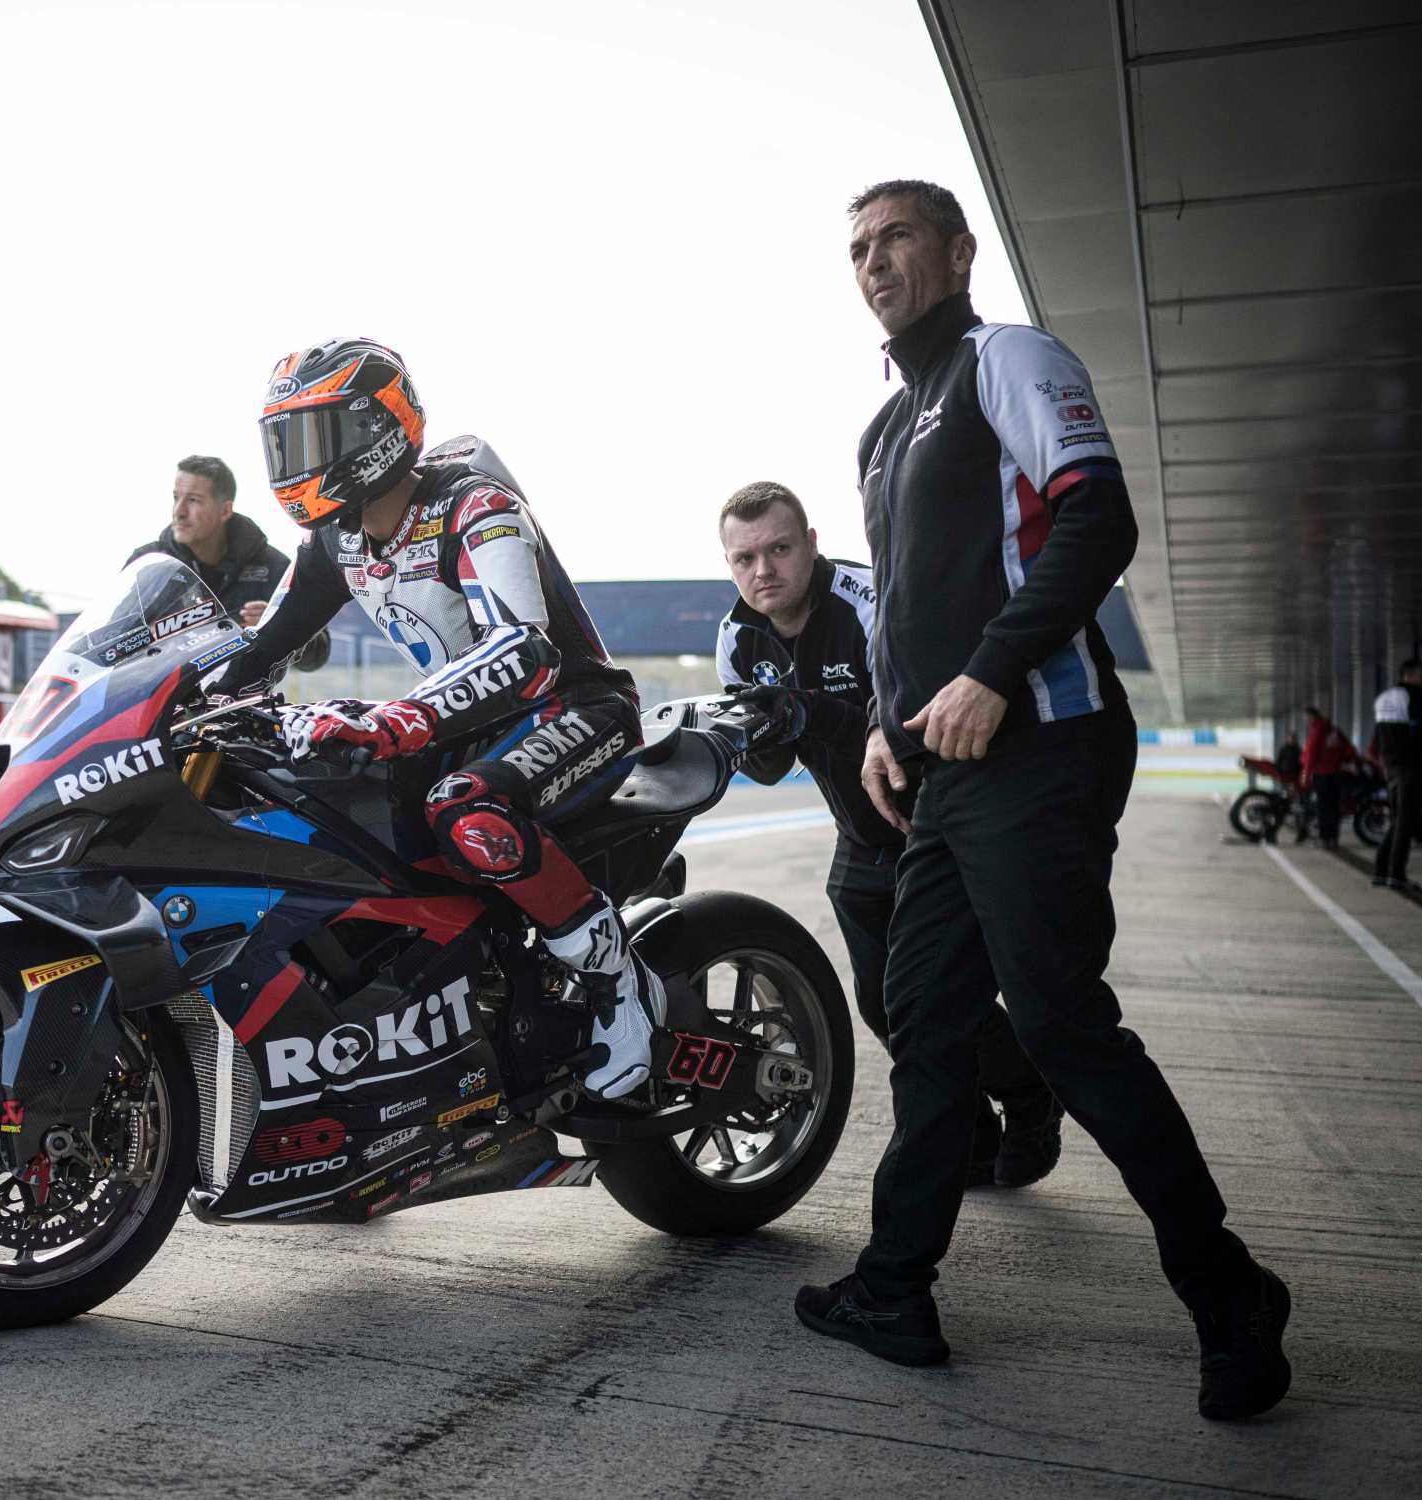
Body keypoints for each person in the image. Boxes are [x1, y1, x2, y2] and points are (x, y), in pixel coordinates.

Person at [793, 179, 1290, 1422]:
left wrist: (994, 671)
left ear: (958, 251)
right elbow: (908, 599)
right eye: (857, 249)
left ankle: (1230, 1293)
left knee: (1063, 1025)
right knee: (926, 1019)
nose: (874, 262)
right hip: (943, 770)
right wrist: (885, 723)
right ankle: (895, 1288)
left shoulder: (1005, 360)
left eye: (897, 237)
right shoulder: (882, 431)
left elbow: (1097, 522)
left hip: (1043, 740)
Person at [220, 337, 663, 1098]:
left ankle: (620, 982)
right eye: (285, 441)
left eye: (313, 437)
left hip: (579, 706)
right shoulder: (335, 539)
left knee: (468, 809)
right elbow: (259, 651)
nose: (294, 461)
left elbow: (525, 651)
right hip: (472, 723)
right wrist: (182, 702)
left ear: (374, 429)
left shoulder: (478, 507)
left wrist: (396, 716)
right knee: (325, 803)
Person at [713, 480, 1058, 1188]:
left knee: (932, 994)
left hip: (941, 826)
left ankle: (1030, 1095)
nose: (763, 570)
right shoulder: (735, 638)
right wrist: (741, 736)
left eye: (779, 549)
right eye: (745, 558)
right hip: (860, 838)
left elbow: (912, 720)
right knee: (881, 1002)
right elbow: (771, 769)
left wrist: (807, 711)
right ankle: (976, 1131)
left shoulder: (872, 599)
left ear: (812, 544)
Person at [128, 455, 328, 671]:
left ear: (224, 510)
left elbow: (318, 655)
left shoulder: (274, 567)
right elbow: (108, 645)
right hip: (161, 691)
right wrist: (152, 638)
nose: (179, 512)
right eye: (176, 497)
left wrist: (280, 627)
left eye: (193, 500)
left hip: (239, 692)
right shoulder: (147, 564)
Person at [1370, 659, 1422, 890]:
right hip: (1409, 766)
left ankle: (1381, 870)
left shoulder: (1383, 698)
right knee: (1406, 820)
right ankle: (1397, 874)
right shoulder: (1413, 696)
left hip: (1390, 766)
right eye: (1421, 675)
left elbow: (1378, 736)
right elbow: (1417, 732)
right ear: (1411, 675)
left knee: (1397, 819)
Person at [1303, 706, 1353, 848]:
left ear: (1311, 716)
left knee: (1323, 807)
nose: (1306, 721)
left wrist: (1306, 773)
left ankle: (1325, 838)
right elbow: (1347, 748)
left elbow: (1312, 753)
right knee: (1334, 807)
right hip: (1336, 774)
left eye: (1306, 718)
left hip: (1322, 774)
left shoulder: (1317, 730)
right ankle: (1334, 838)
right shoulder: (1334, 730)